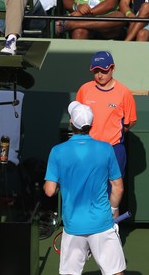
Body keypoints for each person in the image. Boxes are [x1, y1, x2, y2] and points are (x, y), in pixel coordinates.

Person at [44, 100, 126, 275]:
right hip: (102, 222)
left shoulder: (57, 151)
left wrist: (60, 180)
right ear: (91, 124)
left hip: (73, 225)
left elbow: (49, 190)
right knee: (116, 272)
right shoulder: (106, 149)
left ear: (71, 123)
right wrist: (112, 211)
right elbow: (118, 188)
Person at [76, 51, 137, 177]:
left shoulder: (124, 92)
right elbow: (77, 117)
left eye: (104, 70)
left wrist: (114, 133)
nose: (100, 75)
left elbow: (131, 120)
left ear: (112, 68)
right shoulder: (84, 90)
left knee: (114, 189)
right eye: (96, 71)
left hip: (114, 149)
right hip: (88, 147)